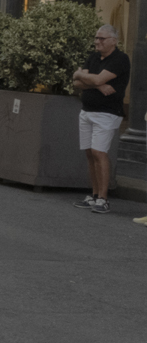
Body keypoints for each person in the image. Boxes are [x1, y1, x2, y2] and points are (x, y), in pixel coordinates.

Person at [71, 24, 131, 214]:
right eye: (96, 38)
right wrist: (92, 82)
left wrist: (86, 76)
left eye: (102, 39)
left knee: (99, 153)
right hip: (87, 110)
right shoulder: (94, 57)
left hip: (107, 113)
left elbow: (94, 79)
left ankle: (103, 199)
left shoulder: (120, 59)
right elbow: (76, 82)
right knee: (89, 153)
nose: (97, 42)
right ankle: (94, 196)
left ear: (114, 41)